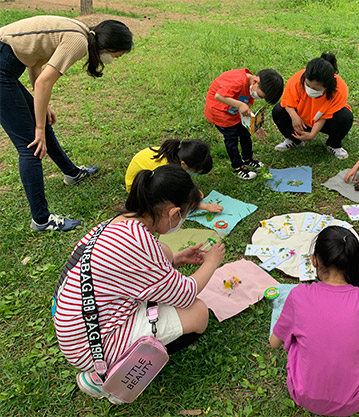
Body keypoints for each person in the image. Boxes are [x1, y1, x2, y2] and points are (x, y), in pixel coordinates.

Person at [53, 164, 226, 404]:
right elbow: (186, 294)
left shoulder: (121, 224)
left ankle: (111, 362)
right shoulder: (139, 245)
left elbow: (138, 269)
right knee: (198, 313)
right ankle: (110, 375)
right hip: (92, 347)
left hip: (77, 328)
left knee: (165, 252)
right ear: (173, 213)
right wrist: (212, 262)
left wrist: (176, 259)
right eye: (184, 215)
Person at [0, 16, 133, 231]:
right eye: (117, 55)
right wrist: (39, 128)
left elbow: (36, 62)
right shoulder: (78, 42)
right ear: (109, 47)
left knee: (40, 121)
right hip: (3, 68)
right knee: (31, 145)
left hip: (6, 66)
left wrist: (42, 105)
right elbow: (45, 81)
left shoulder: (80, 32)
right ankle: (41, 220)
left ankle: (72, 173)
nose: (114, 59)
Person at [270, 226, 359, 416]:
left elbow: (274, 342)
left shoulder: (298, 296)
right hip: (356, 400)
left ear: (314, 260)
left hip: (304, 396)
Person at [204, 68, 283, 180]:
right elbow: (219, 96)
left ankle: (248, 159)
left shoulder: (252, 88)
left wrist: (254, 124)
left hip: (234, 111)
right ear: (255, 82)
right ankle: (237, 167)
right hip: (220, 111)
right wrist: (240, 105)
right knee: (232, 138)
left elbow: (247, 107)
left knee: (245, 134)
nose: (259, 98)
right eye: (260, 96)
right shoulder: (238, 81)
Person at [272, 52, 353, 160]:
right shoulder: (296, 79)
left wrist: (312, 135)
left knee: (345, 116)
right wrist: (294, 117)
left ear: (327, 85)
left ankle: (333, 145)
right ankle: (295, 141)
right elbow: (287, 102)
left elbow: (325, 115)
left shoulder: (340, 89)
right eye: (307, 85)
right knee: (278, 110)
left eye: (315, 88)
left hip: (325, 121)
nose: (309, 89)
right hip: (301, 119)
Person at [125, 138, 222, 213]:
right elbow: (180, 199)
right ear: (183, 163)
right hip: (137, 189)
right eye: (196, 171)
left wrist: (193, 190)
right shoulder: (167, 172)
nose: (195, 174)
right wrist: (206, 206)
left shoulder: (176, 153)